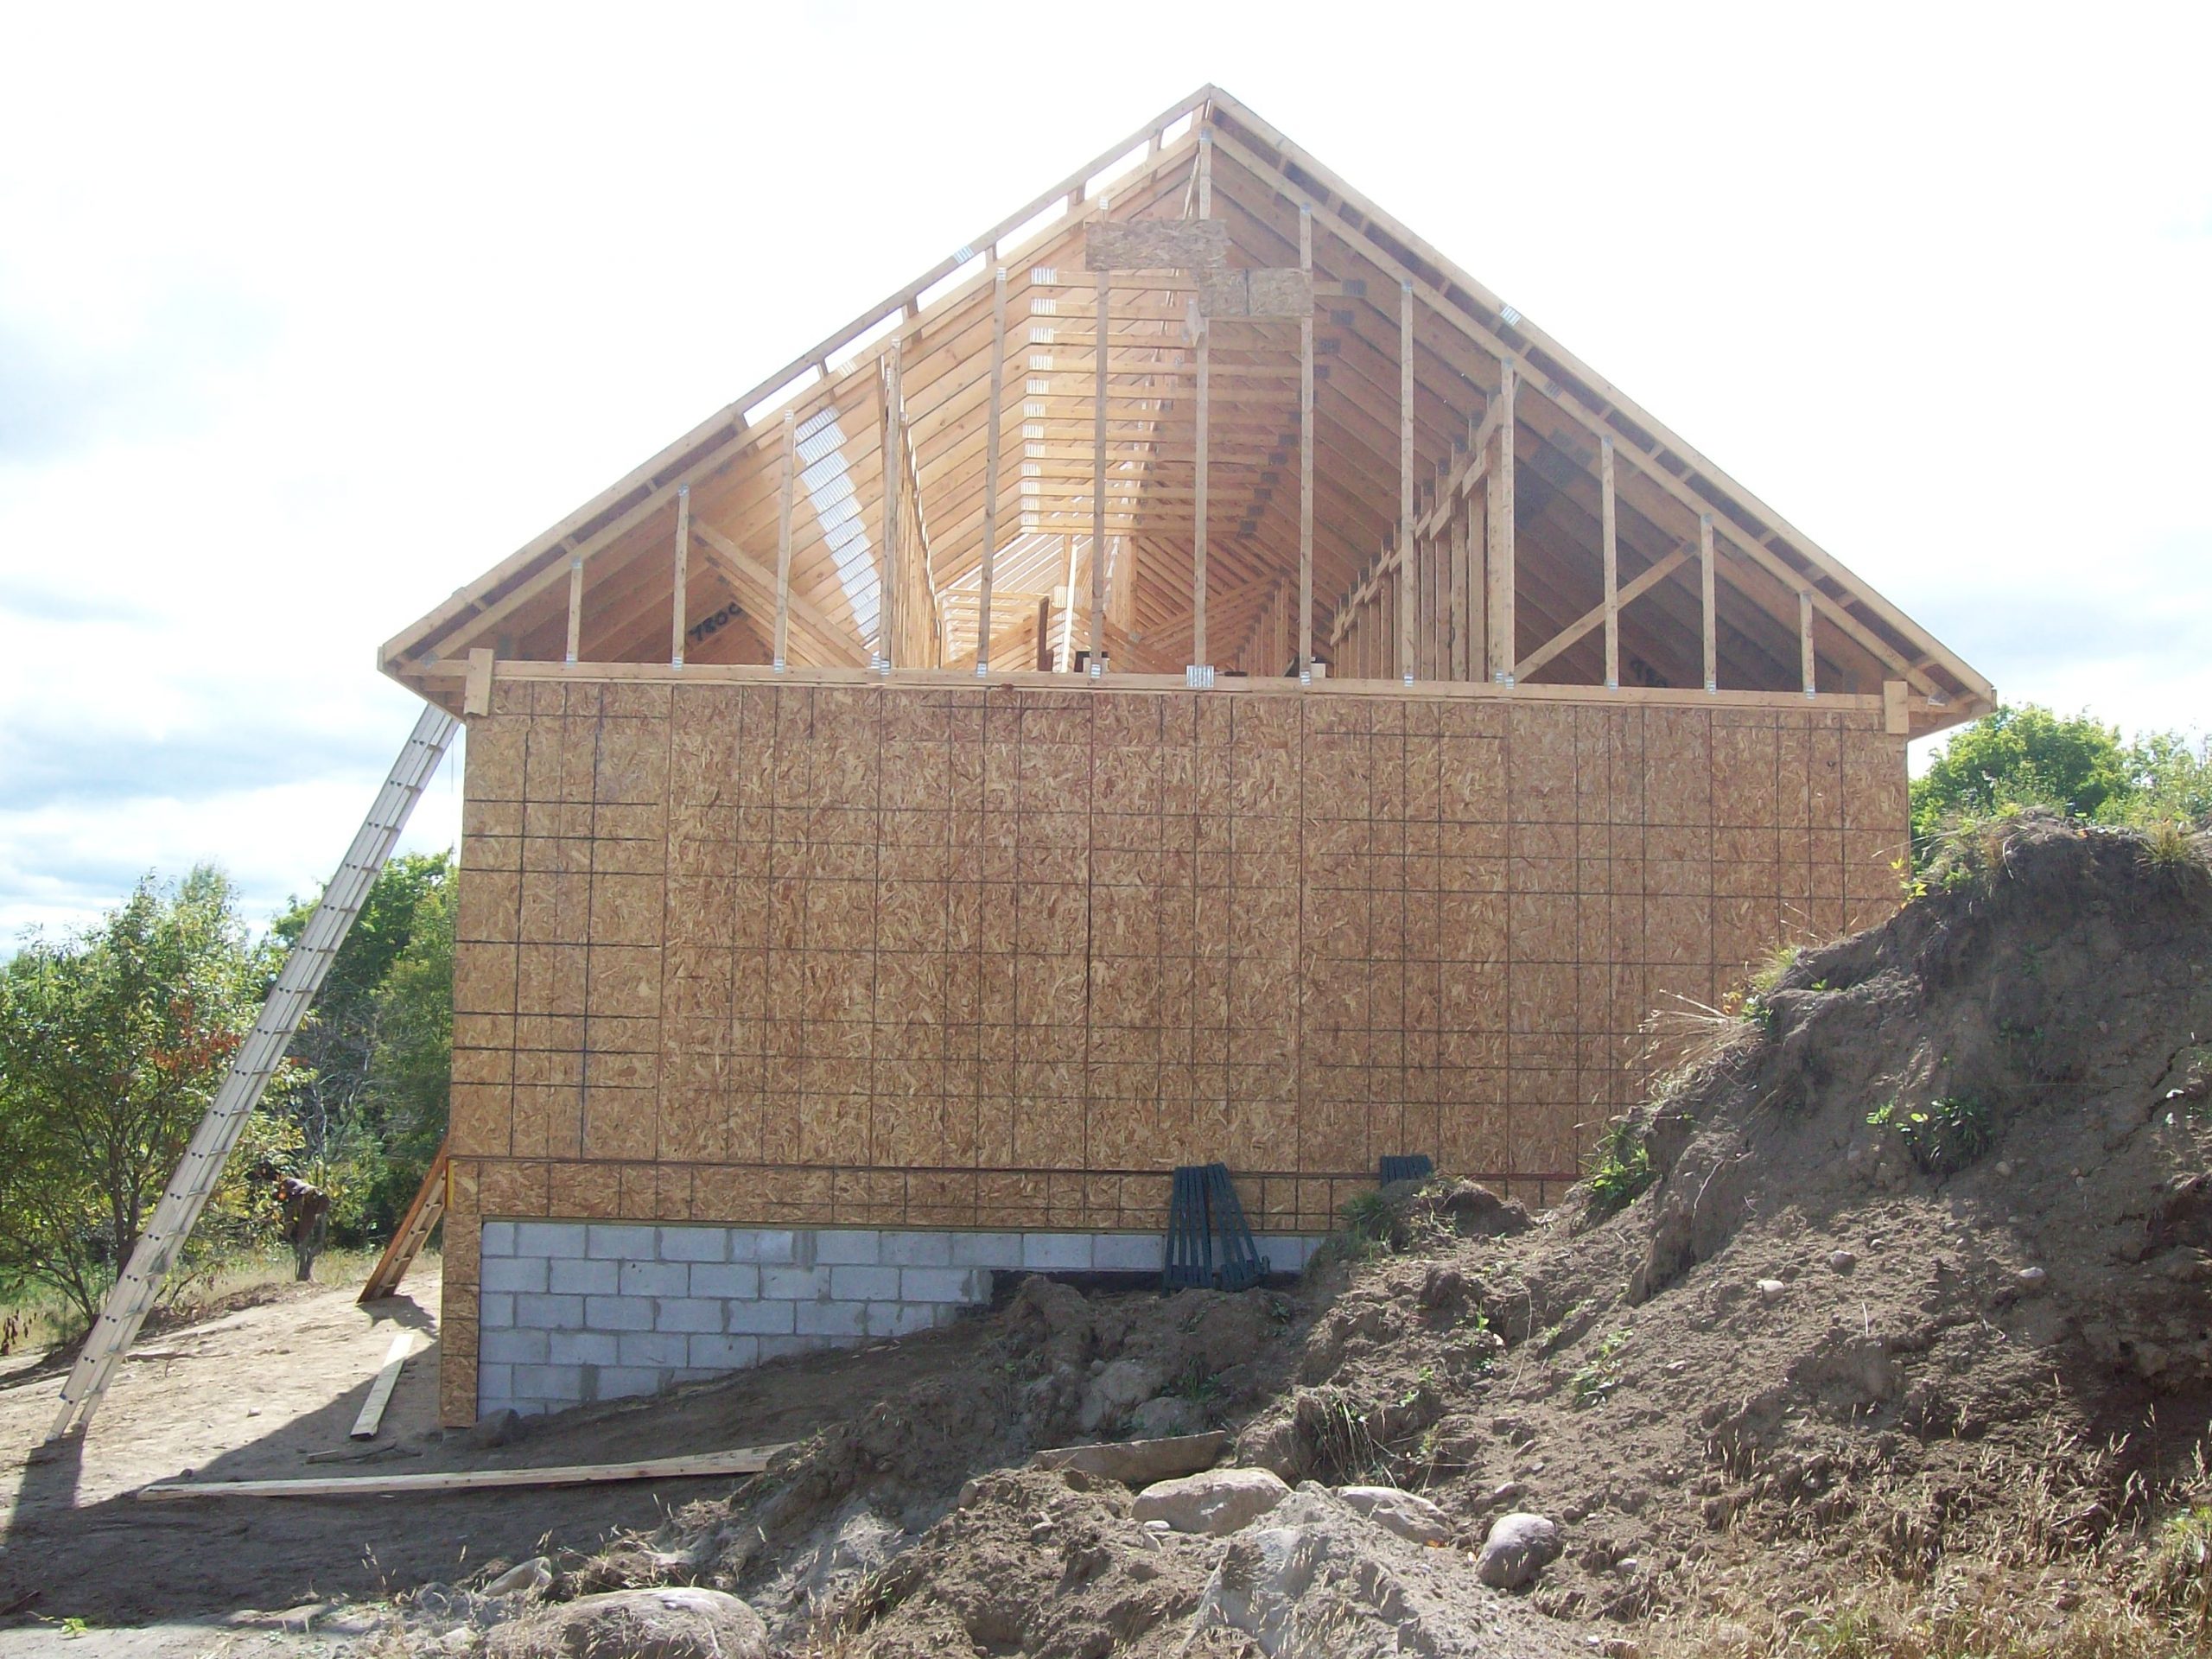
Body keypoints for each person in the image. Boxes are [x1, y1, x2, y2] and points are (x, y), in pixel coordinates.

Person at [274, 1175, 331, 1281]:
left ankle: (304, 1274)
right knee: (304, 1238)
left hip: (308, 1198)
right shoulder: (294, 1184)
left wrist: (286, 1232)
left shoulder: (286, 1185)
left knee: (302, 1236)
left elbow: (285, 1200)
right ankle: (304, 1273)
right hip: (314, 1198)